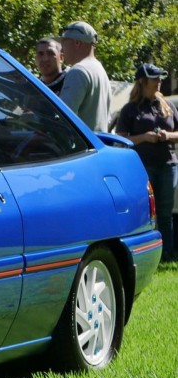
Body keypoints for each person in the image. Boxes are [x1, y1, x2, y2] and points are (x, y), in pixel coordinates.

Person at [116, 62, 177, 261]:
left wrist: (167, 136)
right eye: (155, 78)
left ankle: (167, 252)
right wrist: (144, 137)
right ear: (142, 81)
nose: (159, 81)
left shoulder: (168, 106)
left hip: (168, 164)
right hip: (143, 165)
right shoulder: (129, 110)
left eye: (160, 78)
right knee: (146, 212)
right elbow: (122, 139)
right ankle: (144, 254)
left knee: (165, 211)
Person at [58, 21, 110, 132]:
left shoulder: (78, 71)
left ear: (77, 43)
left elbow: (62, 117)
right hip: (98, 143)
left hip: (83, 147)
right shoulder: (100, 70)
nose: (61, 49)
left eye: (64, 43)